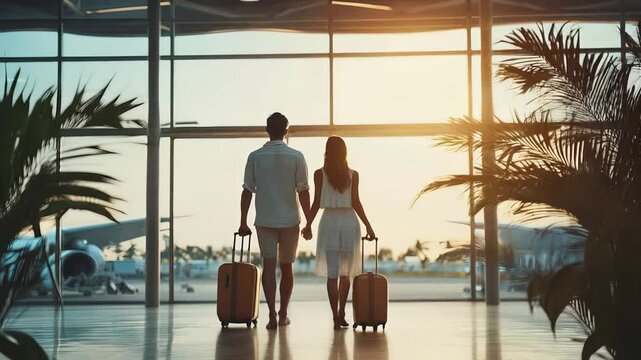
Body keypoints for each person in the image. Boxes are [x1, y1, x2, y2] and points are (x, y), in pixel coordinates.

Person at [238, 112, 311, 330]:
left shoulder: (255, 156)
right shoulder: (297, 156)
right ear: (286, 131)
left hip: (265, 219)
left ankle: (270, 314)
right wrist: (309, 222)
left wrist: (243, 221)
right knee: (286, 266)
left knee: (268, 265)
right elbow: (304, 191)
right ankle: (283, 313)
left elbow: (247, 192)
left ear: (267, 130)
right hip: (290, 220)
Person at [301, 136, 375, 330]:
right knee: (345, 274)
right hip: (350, 222)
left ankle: (335, 315)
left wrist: (308, 224)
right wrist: (368, 225)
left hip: (329, 223)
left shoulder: (319, 174)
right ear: (345, 153)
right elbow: (356, 202)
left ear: (327, 152)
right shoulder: (353, 175)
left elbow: (316, 202)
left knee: (332, 275)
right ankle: (342, 312)